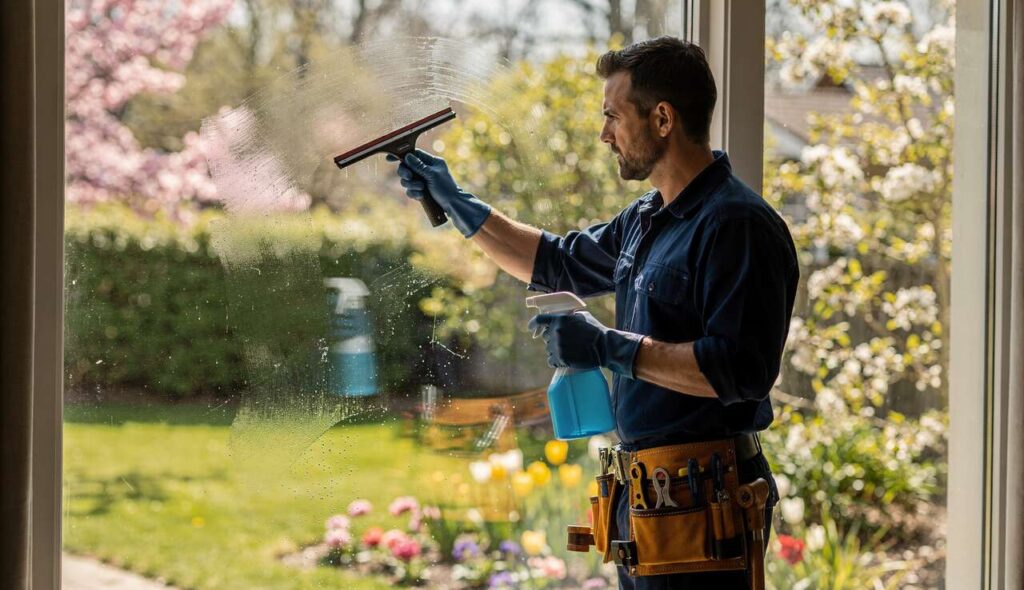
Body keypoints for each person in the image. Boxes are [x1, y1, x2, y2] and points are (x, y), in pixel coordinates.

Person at [391, 36, 799, 589]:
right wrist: (458, 202)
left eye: (612, 115)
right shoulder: (646, 218)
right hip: (645, 499)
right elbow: (555, 261)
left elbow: (740, 372)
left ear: (661, 118)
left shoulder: (737, 227)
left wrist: (609, 347)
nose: (604, 133)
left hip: (708, 504)